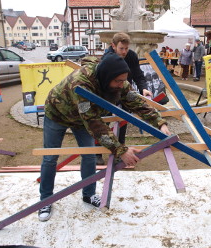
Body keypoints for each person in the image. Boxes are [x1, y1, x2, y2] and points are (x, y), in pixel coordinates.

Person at [38, 54, 171, 222]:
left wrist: (160, 124)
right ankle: (45, 200)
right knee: (50, 157)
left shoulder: (118, 79)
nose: (121, 84)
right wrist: (120, 150)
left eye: (123, 80)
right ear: (107, 77)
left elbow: (137, 102)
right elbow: (94, 123)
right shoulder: (82, 85)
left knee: (89, 156)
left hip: (81, 119)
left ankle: (89, 194)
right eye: (118, 81)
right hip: (57, 114)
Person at [97, 32, 153, 165]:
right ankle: (97, 153)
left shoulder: (132, 56)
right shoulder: (107, 57)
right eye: (121, 48)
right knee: (104, 121)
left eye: (126, 48)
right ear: (113, 46)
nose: (124, 52)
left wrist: (143, 88)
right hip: (108, 92)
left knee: (123, 120)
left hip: (125, 91)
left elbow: (138, 75)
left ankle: (120, 151)